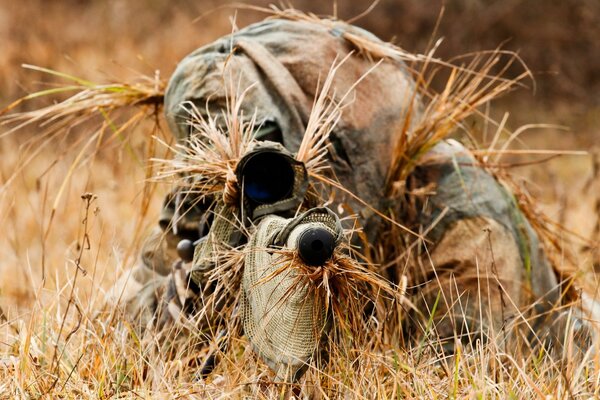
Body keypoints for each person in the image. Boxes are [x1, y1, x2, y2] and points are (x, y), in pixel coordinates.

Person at [106, 16, 594, 380]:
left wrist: (343, 308)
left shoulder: (455, 206)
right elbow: (126, 329)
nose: (250, 194)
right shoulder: (227, 190)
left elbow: (465, 375)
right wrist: (185, 310)